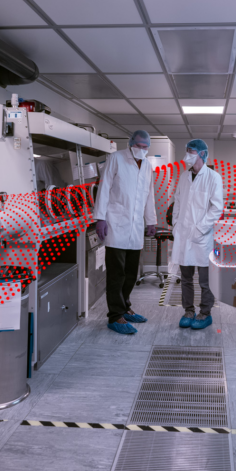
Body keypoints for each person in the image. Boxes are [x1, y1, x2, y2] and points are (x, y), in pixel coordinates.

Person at [93, 130, 157, 334]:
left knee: (130, 273)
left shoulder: (147, 166)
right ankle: (115, 317)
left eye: (145, 147)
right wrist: (100, 218)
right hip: (116, 224)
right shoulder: (116, 158)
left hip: (135, 227)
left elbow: (149, 195)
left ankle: (125, 308)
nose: (142, 150)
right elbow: (104, 188)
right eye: (139, 146)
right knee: (116, 274)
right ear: (131, 144)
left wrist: (151, 220)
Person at [171, 139, 224, 330]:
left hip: (203, 236)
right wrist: (175, 224)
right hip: (184, 234)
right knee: (185, 278)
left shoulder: (213, 177)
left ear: (202, 154)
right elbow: (177, 201)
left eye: (191, 151)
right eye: (186, 151)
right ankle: (188, 311)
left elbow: (217, 208)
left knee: (205, 280)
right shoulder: (184, 176)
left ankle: (205, 313)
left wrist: (200, 228)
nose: (187, 154)